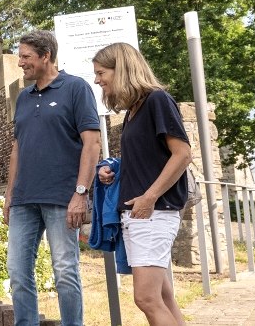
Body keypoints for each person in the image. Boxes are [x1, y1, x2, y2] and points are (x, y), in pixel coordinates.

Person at [3, 30, 102, 326]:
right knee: (18, 273)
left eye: (26, 57)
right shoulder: (23, 98)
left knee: (65, 271)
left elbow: (92, 143)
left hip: (62, 198)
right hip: (24, 200)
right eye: (20, 57)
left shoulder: (75, 88)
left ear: (46, 56)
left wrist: (81, 193)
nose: (20, 63)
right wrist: (9, 195)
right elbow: (17, 148)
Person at [93, 42, 192, 326]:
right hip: (142, 212)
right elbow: (147, 158)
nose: (98, 80)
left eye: (101, 73)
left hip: (154, 211)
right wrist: (112, 171)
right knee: (163, 296)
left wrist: (149, 197)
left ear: (120, 69)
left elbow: (182, 154)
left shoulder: (156, 100)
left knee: (146, 298)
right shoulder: (133, 111)